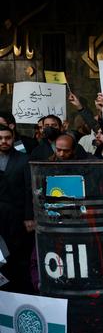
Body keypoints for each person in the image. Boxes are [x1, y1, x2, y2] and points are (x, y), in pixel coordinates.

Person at [0, 124, 33, 293]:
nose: (4, 141)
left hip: (17, 216)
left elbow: (29, 189)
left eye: (7, 138)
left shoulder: (23, 159)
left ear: (13, 138)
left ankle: (21, 291)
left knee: (18, 256)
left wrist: (29, 217)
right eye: (0, 138)